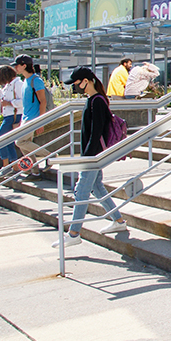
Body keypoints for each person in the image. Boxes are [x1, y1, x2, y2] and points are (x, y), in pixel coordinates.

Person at [52, 67, 127, 248]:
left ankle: (74, 232)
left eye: (77, 83)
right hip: (91, 155)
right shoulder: (93, 100)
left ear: (87, 80)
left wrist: (88, 158)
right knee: (97, 188)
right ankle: (119, 221)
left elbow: (96, 132)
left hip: (92, 156)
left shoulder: (97, 101)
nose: (76, 87)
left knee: (81, 192)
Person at [12, 54, 51, 180]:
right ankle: (35, 172)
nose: (15, 68)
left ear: (24, 65)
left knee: (20, 142)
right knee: (24, 145)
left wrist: (40, 121)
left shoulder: (36, 80)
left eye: (17, 65)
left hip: (33, 118)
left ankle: (50, 156)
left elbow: (43, 101)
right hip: (26, 117)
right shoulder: (25, 81)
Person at [0, 65, 23, 172]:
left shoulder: (18, 84)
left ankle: (6, 165)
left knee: (1, 140)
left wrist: (9, 103)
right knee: (8, 142)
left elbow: (23, 101)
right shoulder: (9, 85)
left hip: (13, 116)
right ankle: (14, 166)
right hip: (9, 116)